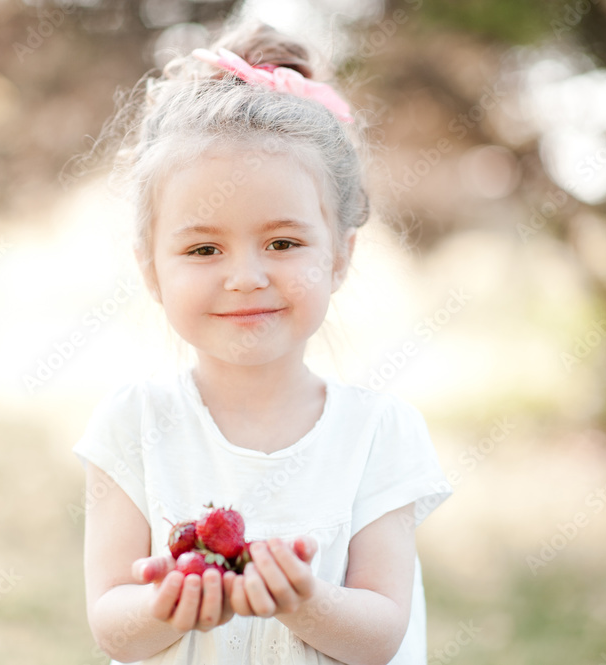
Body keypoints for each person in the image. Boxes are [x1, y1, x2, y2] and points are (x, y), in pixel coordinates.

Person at [73, 19, 451, 665]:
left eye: (283, 242)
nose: (246, 277)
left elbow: (382, 628)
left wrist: (305, 600)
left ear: (339, 255)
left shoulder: (380, 432)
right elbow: (111, 619)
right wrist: (168, 602)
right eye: (203, 248)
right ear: (149, 268)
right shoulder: (133, 423)